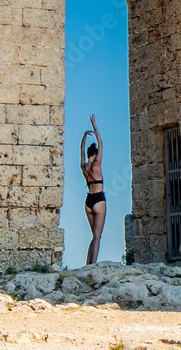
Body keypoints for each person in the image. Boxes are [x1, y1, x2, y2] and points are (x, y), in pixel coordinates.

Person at [80, 113, 105, 264]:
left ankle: (87, 264)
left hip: (88, 201)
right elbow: (101, 143)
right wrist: (94, 126)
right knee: (97, 237)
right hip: (99, 200)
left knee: (93, 236)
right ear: (95, 154)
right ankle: (93, 265)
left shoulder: (84, 166)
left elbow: (81, 147)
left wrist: (84, 135)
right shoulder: (96, 164)